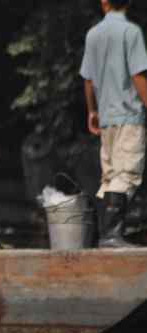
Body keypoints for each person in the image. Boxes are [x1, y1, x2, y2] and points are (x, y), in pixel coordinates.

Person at [80, 0, 147, 248]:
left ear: (103, 2)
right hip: (129, 116)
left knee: (109, 175)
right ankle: (111, 235)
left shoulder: (93, 34)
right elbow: (138, 75)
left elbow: (88, 79)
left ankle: (104, 235)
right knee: (126, 174)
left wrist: (92, 111)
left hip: (106, 118)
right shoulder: (132, 32)